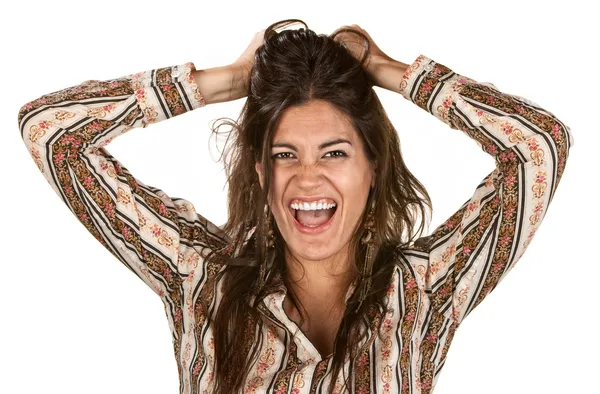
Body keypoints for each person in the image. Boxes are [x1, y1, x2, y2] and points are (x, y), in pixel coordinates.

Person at [17, 18, 573, 394]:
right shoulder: (198, 278)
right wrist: (225, 82)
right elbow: (51, 133)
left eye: (334, 152)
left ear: (372, 168)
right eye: (285, 154)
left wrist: (391, 73)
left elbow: (539, 147)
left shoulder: (424, 293)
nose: (308, 177)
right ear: (261, 173)